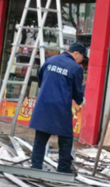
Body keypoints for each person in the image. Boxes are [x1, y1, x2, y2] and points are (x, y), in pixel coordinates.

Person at [30, 43, 86, 173]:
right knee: (65, 138)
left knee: (40, 138)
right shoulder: (75, 68)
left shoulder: (50, 60)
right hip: (61, 106)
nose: (82, 60)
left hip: (44, 104)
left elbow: (41, 78)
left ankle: (36, 166)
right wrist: (80, 100)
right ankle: (63, 168)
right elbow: (77, 91)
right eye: (82, 57)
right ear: (76, 53)